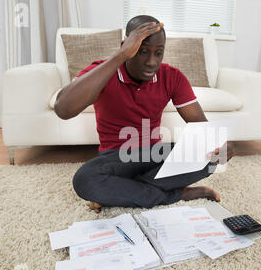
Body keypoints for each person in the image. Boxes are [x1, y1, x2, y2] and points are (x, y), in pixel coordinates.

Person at [54, 15, 235, 213]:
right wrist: (120, 56)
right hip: (117, 158)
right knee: (85, 180)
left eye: (158, 53)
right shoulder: (103, 71)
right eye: (142, 52)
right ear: (126, 46)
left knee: (206, 159)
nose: (151, 62)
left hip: (154, 154)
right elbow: (63, 109)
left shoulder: (172, 77)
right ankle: (177, 194)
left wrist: (221, 148)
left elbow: (202, 128)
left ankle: (120, 190)